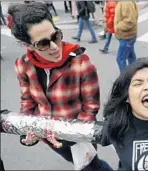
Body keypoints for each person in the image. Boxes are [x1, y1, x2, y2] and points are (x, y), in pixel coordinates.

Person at [7, 2, 111, 171]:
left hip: (78, 134)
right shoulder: (22, 65)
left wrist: (72, 135)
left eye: (56, 35)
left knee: (92, 166)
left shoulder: (80, 62)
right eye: (43, 43)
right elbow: (28, 101)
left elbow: (90, 108)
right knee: (79, 163)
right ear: (27, 45)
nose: (55, 47)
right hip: (49, 137)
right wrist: (28, 129)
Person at [114, 1, 138, 72]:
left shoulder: (126, 3)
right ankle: (133, 75)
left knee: (120, 58)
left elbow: (130, 21)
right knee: (131, 57)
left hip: (127, 36)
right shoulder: (123, 2)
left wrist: (117, 27)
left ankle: (125, 80)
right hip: (128, 35)